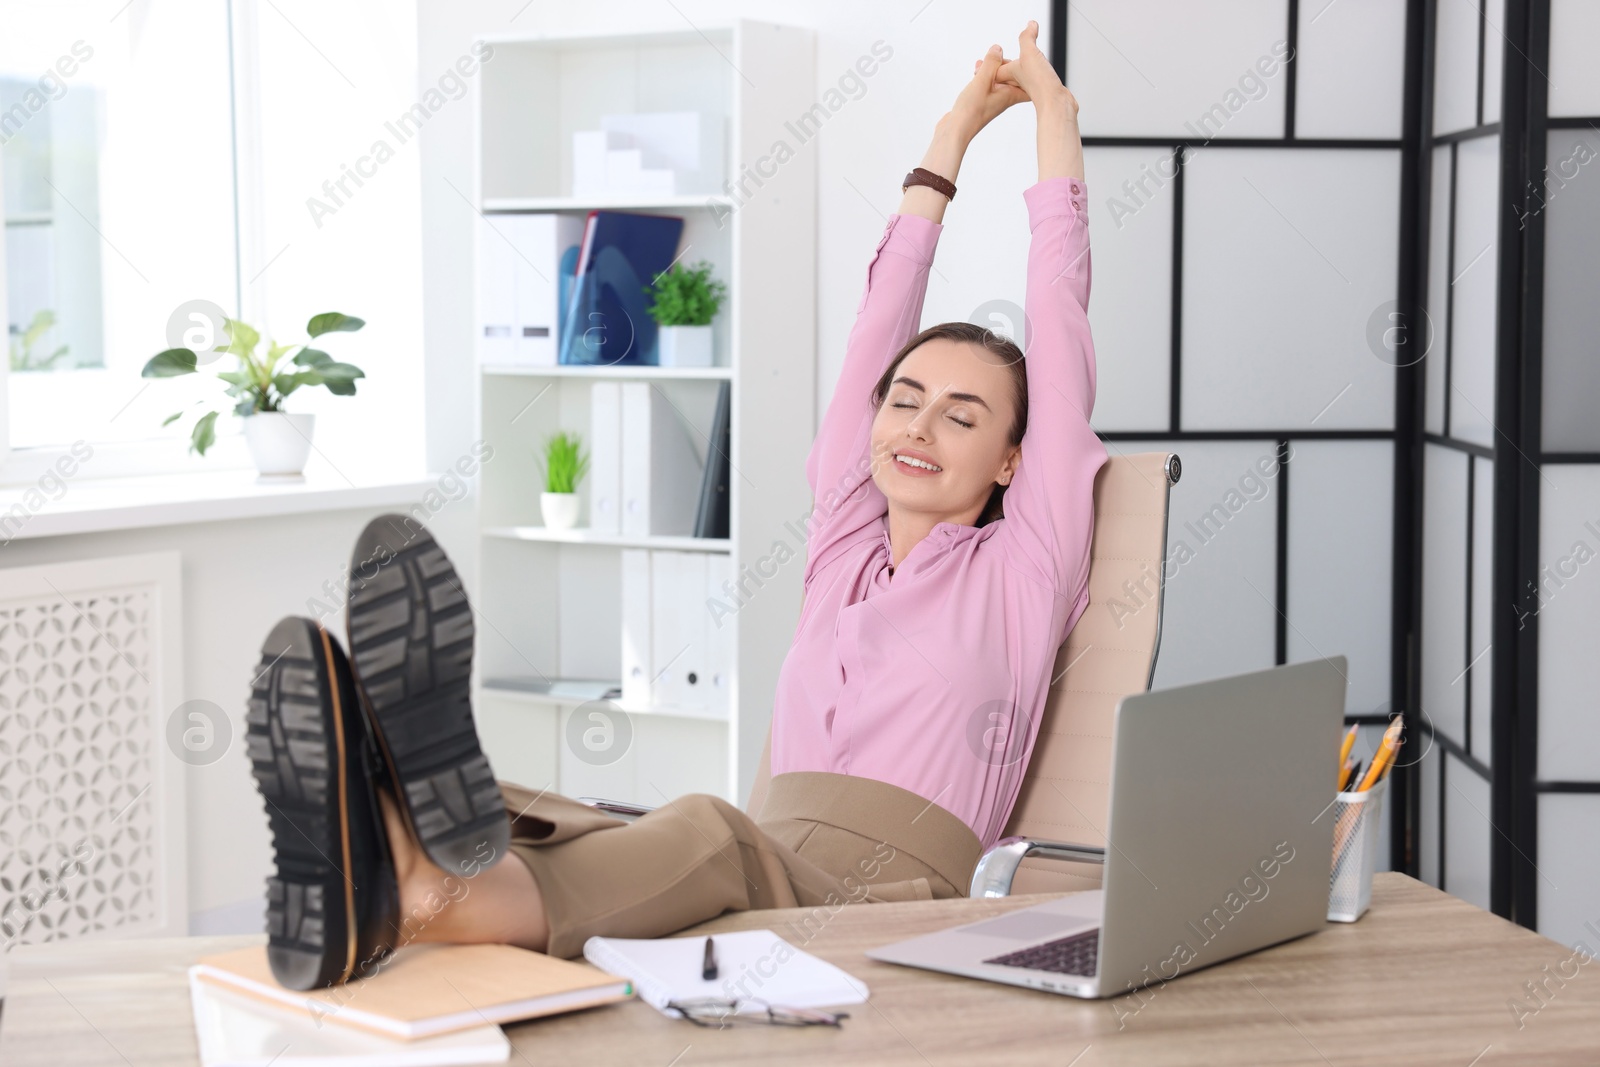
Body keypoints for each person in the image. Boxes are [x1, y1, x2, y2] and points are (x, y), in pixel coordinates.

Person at [246, 19, 1108, 992]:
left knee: (703, 828)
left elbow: (1060, 318)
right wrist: (944, 142)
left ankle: (416, 890)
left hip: (895, 890)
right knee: (577, 815)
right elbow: (877, 331)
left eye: (962, 416)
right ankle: (386, 829)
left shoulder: (1027, 567)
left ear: (1011, 462)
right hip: (773, 850)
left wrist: (1054, 117)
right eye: (905, 401)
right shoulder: (842, 544)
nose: (917, 426)